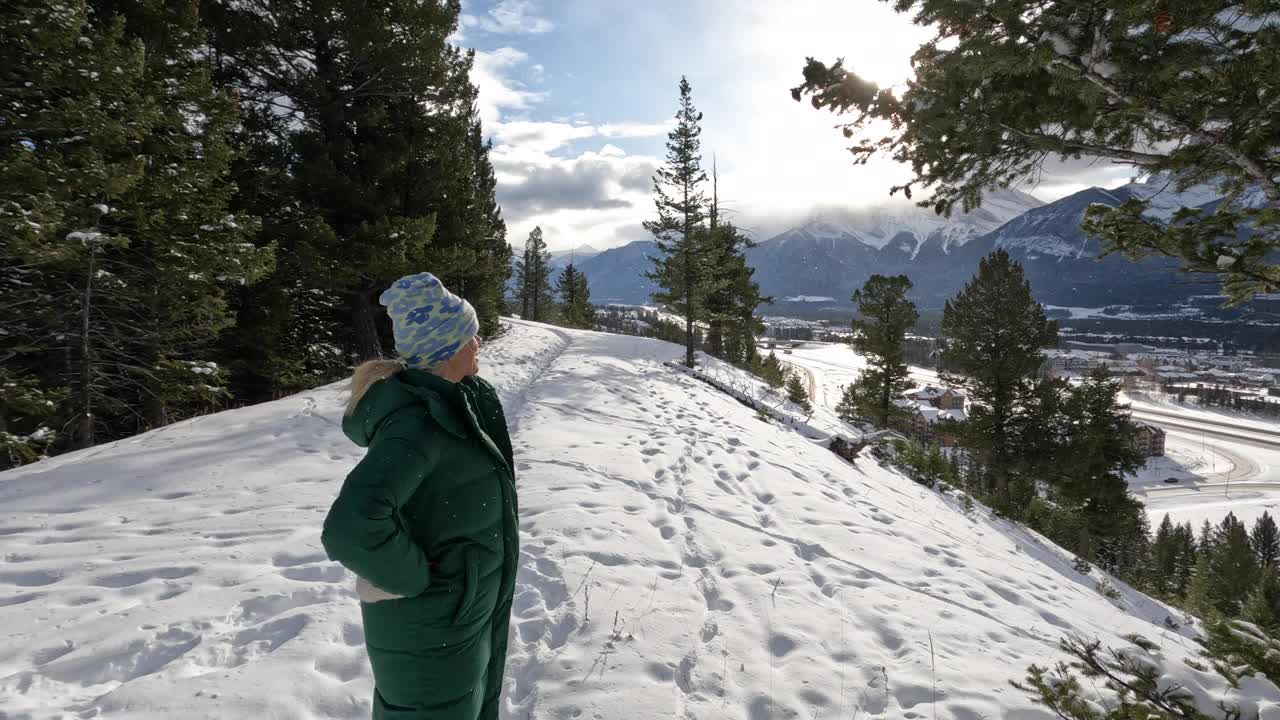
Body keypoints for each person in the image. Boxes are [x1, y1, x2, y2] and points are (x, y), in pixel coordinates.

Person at [322, 272, 517, 720]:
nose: (480, 339)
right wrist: (411, 578)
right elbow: (350, 527)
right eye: (471, 333)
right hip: (430, 629)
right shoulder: (417, 425)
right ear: (447, 347)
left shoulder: (451, 404)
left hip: (452, 621)